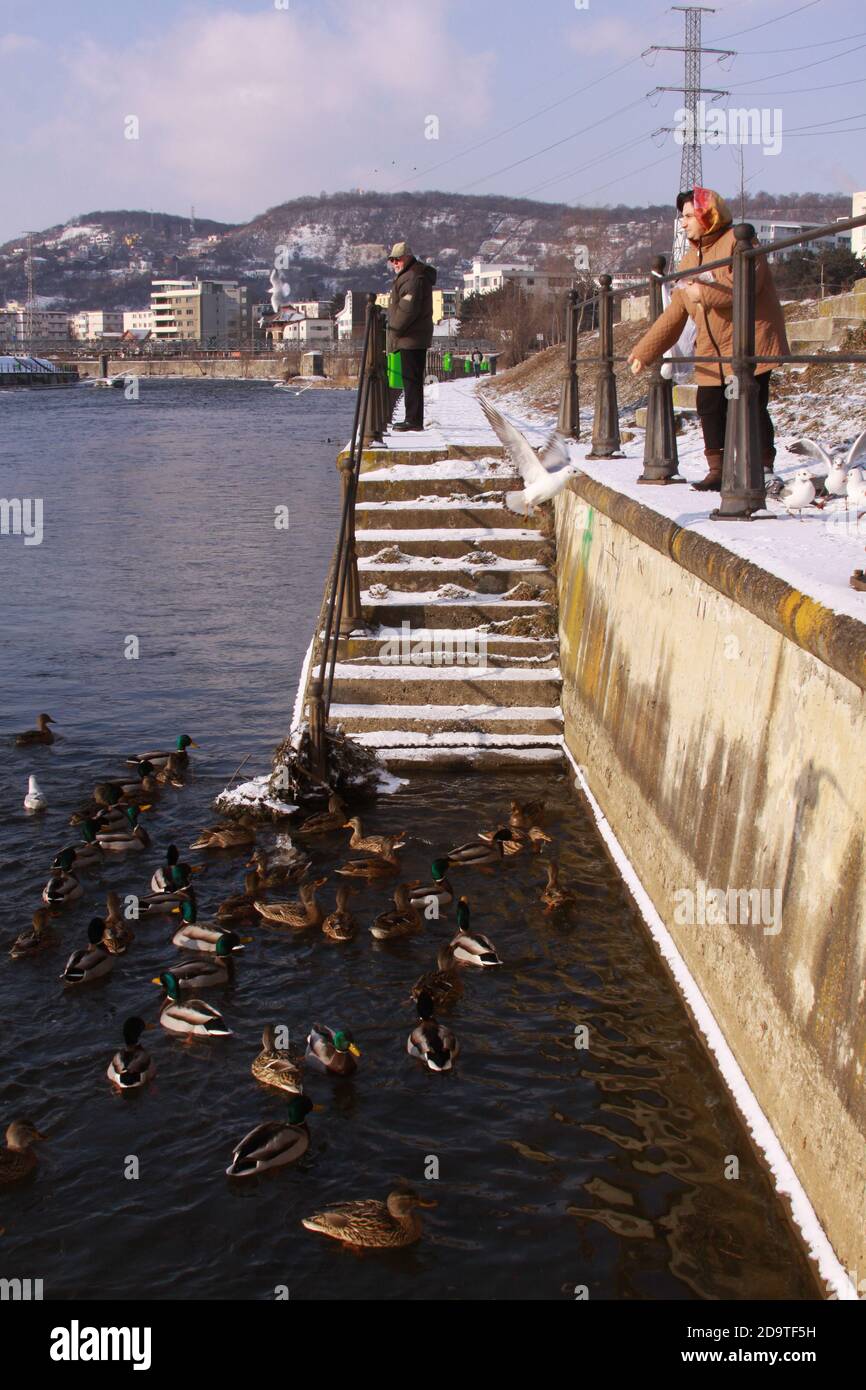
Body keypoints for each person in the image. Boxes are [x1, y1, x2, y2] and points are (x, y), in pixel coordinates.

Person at [628, 188, 789, 490]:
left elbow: (745, 285)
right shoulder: (689, 260)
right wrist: (644, 352)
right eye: (683, 217)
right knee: (709, 404)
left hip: (749, 339)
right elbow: (675, 312)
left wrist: (702, 291)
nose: (684, 223)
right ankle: (718, 469)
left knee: (751, 403)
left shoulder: (741, 242)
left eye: (689, 216)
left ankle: (762, 467)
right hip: (712, 345)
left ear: (708, 216)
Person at [386, 241, 437, 431]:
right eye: (392, 260)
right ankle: (413, 418)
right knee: (411, 378)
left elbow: (407, 311)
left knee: (411, 378)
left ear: (407, 258)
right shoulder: (414, 275)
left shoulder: (412, 277)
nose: (394, 263)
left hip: (411, 336)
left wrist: (393, 329)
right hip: (414, 336)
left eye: (397, 259)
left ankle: (413, 421)